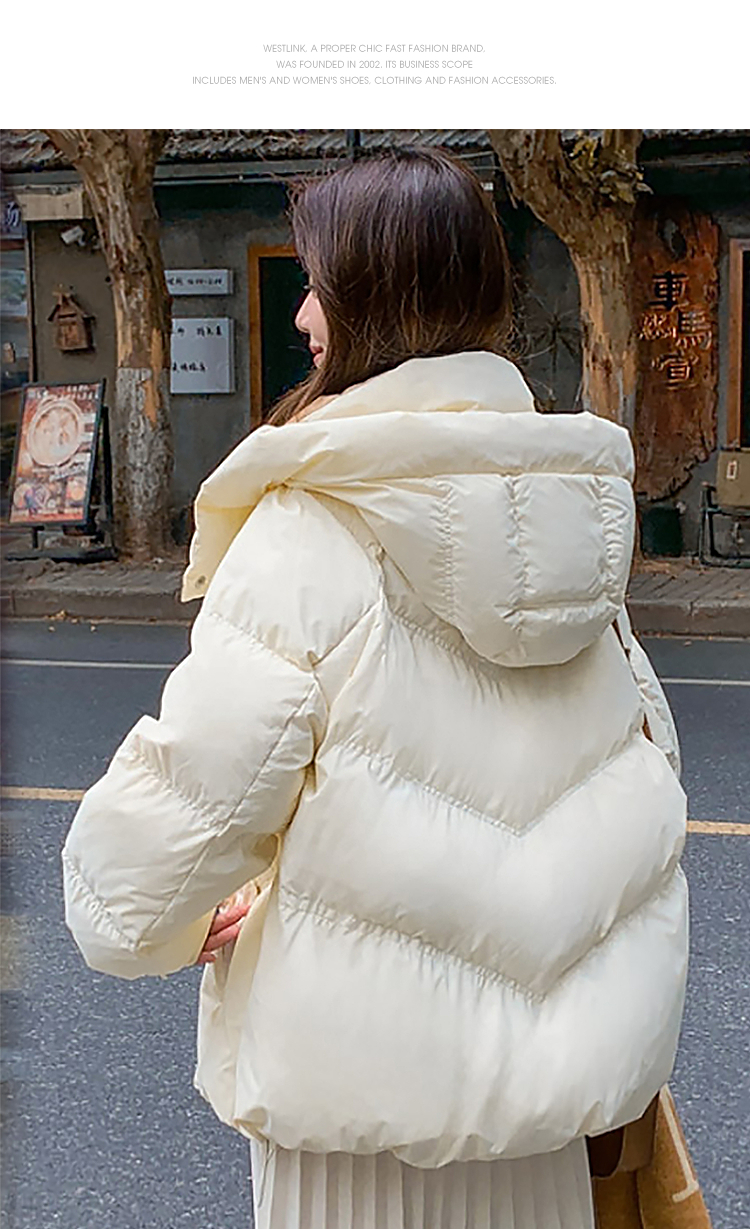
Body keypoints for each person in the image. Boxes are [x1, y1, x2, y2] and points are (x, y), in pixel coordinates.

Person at [62, 149, 688, 1229]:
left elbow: (155, 855)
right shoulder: (570, 523)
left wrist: (155, 921)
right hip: (546, 1135)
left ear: (376, 300)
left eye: (318, 284)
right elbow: (650, 771)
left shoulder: (313, 526)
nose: (304, 313)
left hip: (357, 1129)